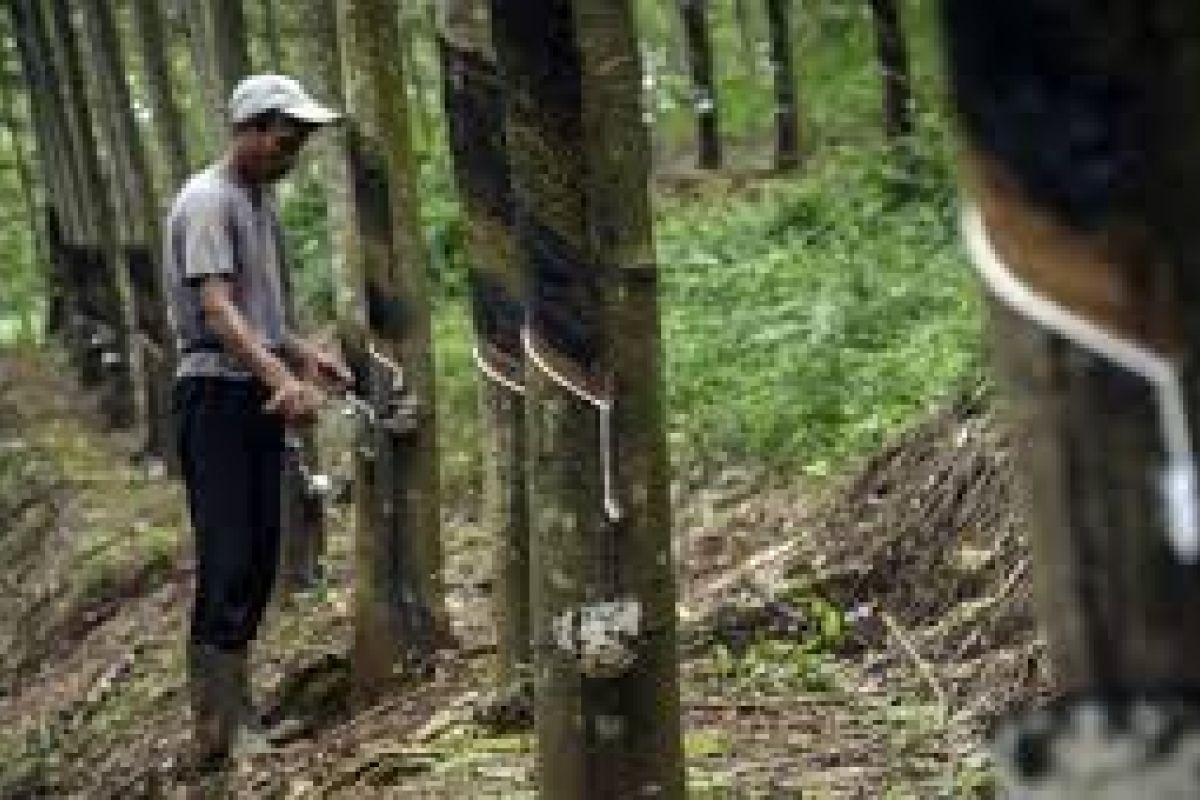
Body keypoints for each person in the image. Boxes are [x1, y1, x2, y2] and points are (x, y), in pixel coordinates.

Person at [163, 74, 351, 767]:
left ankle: (240, 714)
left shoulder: (260, 202)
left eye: (300, 140)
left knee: (262, 553)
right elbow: (216, 310)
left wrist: (309, 359)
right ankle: (219, 730)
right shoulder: (208, 201)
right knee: (230, 553)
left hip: (253, 393)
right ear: (247, 127)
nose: (292, 150)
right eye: (284, 136)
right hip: (216, 396)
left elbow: (264, 319)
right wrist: (280, 377)